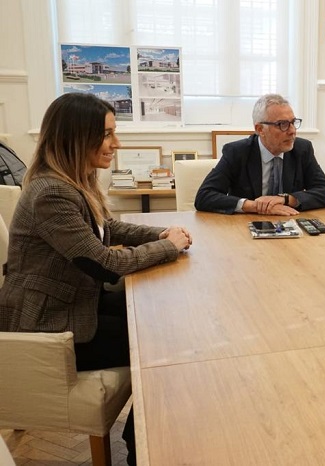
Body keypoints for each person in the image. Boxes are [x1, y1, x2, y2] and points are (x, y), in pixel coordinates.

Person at [0, 92, 193, 465]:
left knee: (161, 323)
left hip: (69, 300)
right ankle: (142, 447)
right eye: (107, 134)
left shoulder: (71, 179)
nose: (116, 144)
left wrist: (161, 234)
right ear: (76, 136)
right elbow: (105, 263)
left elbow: (108, 229)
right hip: (45, 325)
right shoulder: (51, 192)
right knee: (161, 346)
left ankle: (141, 438)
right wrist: (168, 247)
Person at [195, 93, 325, 215]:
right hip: (245, 229)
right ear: (260, 129)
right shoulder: (237, 152)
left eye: (293, 122)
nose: (292, 131)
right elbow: (204, 196)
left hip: (290, 225)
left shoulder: (302, 149)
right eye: (283, 124)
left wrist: (285, 199)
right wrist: (255, 206)